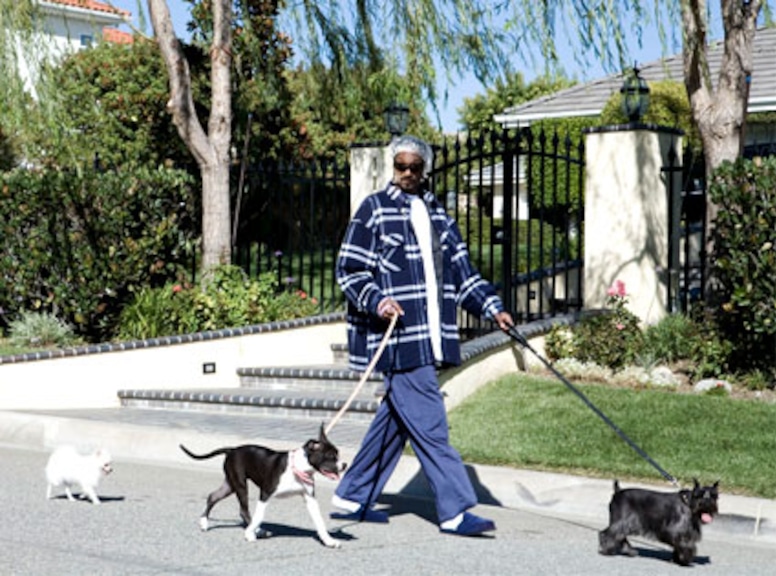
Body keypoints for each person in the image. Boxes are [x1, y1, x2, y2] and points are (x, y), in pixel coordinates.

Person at [331, 135, 514, 536]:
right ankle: (454, 510)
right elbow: (349, 269)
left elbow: (464, 275)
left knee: (396, 421)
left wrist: (492, 308)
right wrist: (378, 300)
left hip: (432, 337)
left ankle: (353, 496)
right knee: (431, 425)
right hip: (398, 337)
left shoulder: (439, 215)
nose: (408, 173)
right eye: (401, 166)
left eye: (415, 167)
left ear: (425, 169)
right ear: (392, 166)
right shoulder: (374, 209)